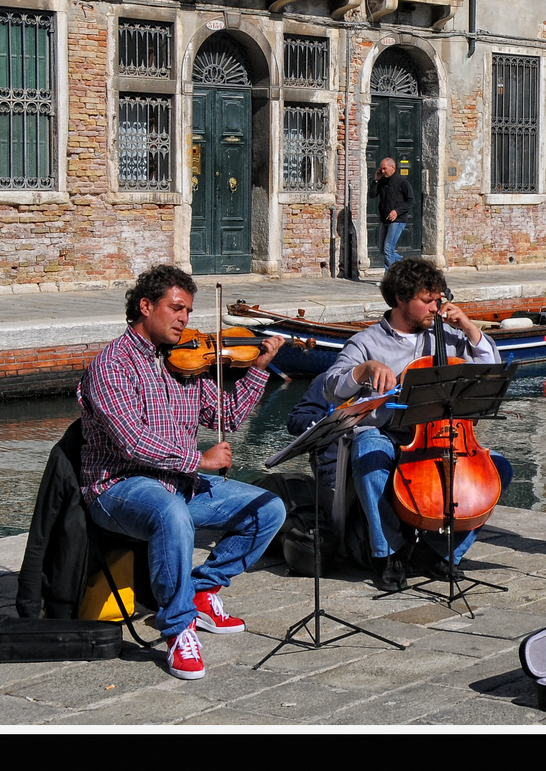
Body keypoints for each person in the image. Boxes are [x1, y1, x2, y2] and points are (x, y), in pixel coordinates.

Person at [78, 264, 287, 682]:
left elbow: (225, 413)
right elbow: (132, 442)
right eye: (176, 309)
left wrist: (259, 368)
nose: (184, 320)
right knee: (169, 512)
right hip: (119, 486)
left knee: (269, 507)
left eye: (188, 311)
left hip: (178, 483)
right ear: (145, 306)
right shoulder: (111, 365)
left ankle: (204, 590)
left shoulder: (184, 362)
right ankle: (178, 628)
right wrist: (199, 461)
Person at [316, 258, 508, 592]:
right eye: (428, 299)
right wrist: (363, 371)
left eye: (439, 298)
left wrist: (470, 328)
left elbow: (489, 373)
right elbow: (331, 387)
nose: (437, 306)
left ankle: (437, 552)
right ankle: (390, 553)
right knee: (368, 451)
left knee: (499, 471)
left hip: (443, 436)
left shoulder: (448, 336)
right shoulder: (367, 342)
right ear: (402, 299)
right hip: (388, 433)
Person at [375, 157, 414, 270]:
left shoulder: (402, 181)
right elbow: (372, 194)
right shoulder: (382, 181)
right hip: (385, 220)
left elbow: (411, 200)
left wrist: (397, 211)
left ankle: (390, 278)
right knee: (383, 250)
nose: (382, 171)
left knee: (388, 249)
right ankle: (406, 263)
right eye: (381, 169)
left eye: (384, 169)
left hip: (398, 220)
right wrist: (376, 180)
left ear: (393, 167)